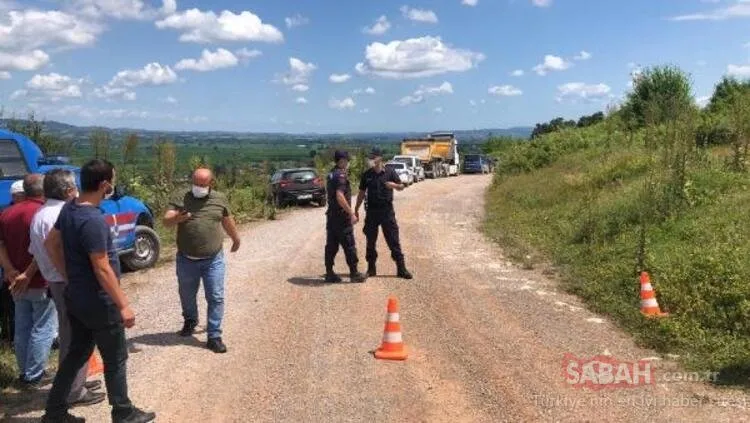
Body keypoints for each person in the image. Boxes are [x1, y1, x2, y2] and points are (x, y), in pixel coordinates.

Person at [41, 159, 155, 423]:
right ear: (104, 184)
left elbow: (51, 243)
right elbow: (102, 268)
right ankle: (123, 412)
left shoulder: (70, 208)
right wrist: (123, 305)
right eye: (112, 180)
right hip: (100, 303)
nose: (112, 185)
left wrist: (69, 276)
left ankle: (55, 412)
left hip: (77, 298)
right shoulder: (92, 220)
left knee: (76, 355)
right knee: (115, 359)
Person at [29, 169, 105, 407]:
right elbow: (60, 250)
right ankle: (73, 391)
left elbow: (35, 251)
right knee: (75, 338)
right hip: (67, 282)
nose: (77, 192)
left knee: (71, 335)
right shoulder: (61, 214)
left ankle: (76, 381)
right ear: (66, 191)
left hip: (55, 281)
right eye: (74, 187)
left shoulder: (40, 213)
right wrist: (71, 278)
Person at [163, 168, 241, 354]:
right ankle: (190, 320)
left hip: (213, 259)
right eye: (195, 183)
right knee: (186, 294)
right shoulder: (181, 196)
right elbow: (166, 221)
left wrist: (236, 239)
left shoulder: (219, 199)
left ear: (210, 184)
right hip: (186, 259)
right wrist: (176, 218)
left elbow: (227, 220)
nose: (198, 187)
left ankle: (214, 335)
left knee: (215, 296)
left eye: (202, 184)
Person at [0, 174, 57, 388]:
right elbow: (43, 248)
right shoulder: (40, 212)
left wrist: (10, 270)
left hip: (14, 281)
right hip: (38, 280)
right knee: (43, 327)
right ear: (43, 190)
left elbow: (1, 245)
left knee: (22, 327)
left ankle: (25, 372)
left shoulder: (7, 213)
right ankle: (35, 374)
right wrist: (28, 273)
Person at [355, 147, 413, 279]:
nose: (371, 159)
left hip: (387, 211)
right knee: (370, 241)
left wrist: (394, 185)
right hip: (372, 212)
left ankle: (401, 268)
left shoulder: (390, 172)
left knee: (393, 240)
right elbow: (361, 193)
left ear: (380, 158)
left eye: (373, 157)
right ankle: (371, 269)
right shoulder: (367, 175)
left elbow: (402, 186)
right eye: (370, 157)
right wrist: (356, 210)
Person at [324, 150, 367, 283]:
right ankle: (354, 274)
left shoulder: (331, 174)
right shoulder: (341, 176)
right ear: (342, 161)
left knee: (331, 245)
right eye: (347, 160)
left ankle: (329, 273)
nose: (348, 163)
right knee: (349, 244)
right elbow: (339, 196)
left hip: (331, 216)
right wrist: (351, 213)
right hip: (341, 218)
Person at [0, 180, 24, 345]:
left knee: (10, 305)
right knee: (12, 306)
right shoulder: (8, 213)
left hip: (7, 267)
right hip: (12, 268)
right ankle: (10, 338)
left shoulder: (4, 212)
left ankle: (8, 337)